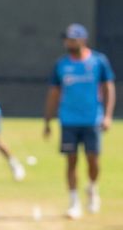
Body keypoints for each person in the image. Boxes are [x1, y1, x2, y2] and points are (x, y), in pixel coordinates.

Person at [43, 23, 115, 219]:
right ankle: (73, 202)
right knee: (71, 160)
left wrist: (107, 115)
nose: (68, 43)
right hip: (68, 120)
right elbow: (54, 93)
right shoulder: (61, 65)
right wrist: (48, 120)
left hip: (92, 119)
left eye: (72, 39)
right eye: (67, 39)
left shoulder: (98, 61)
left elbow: (108, 88)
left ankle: (92, 188)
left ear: (83, 40)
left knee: (93, 160)